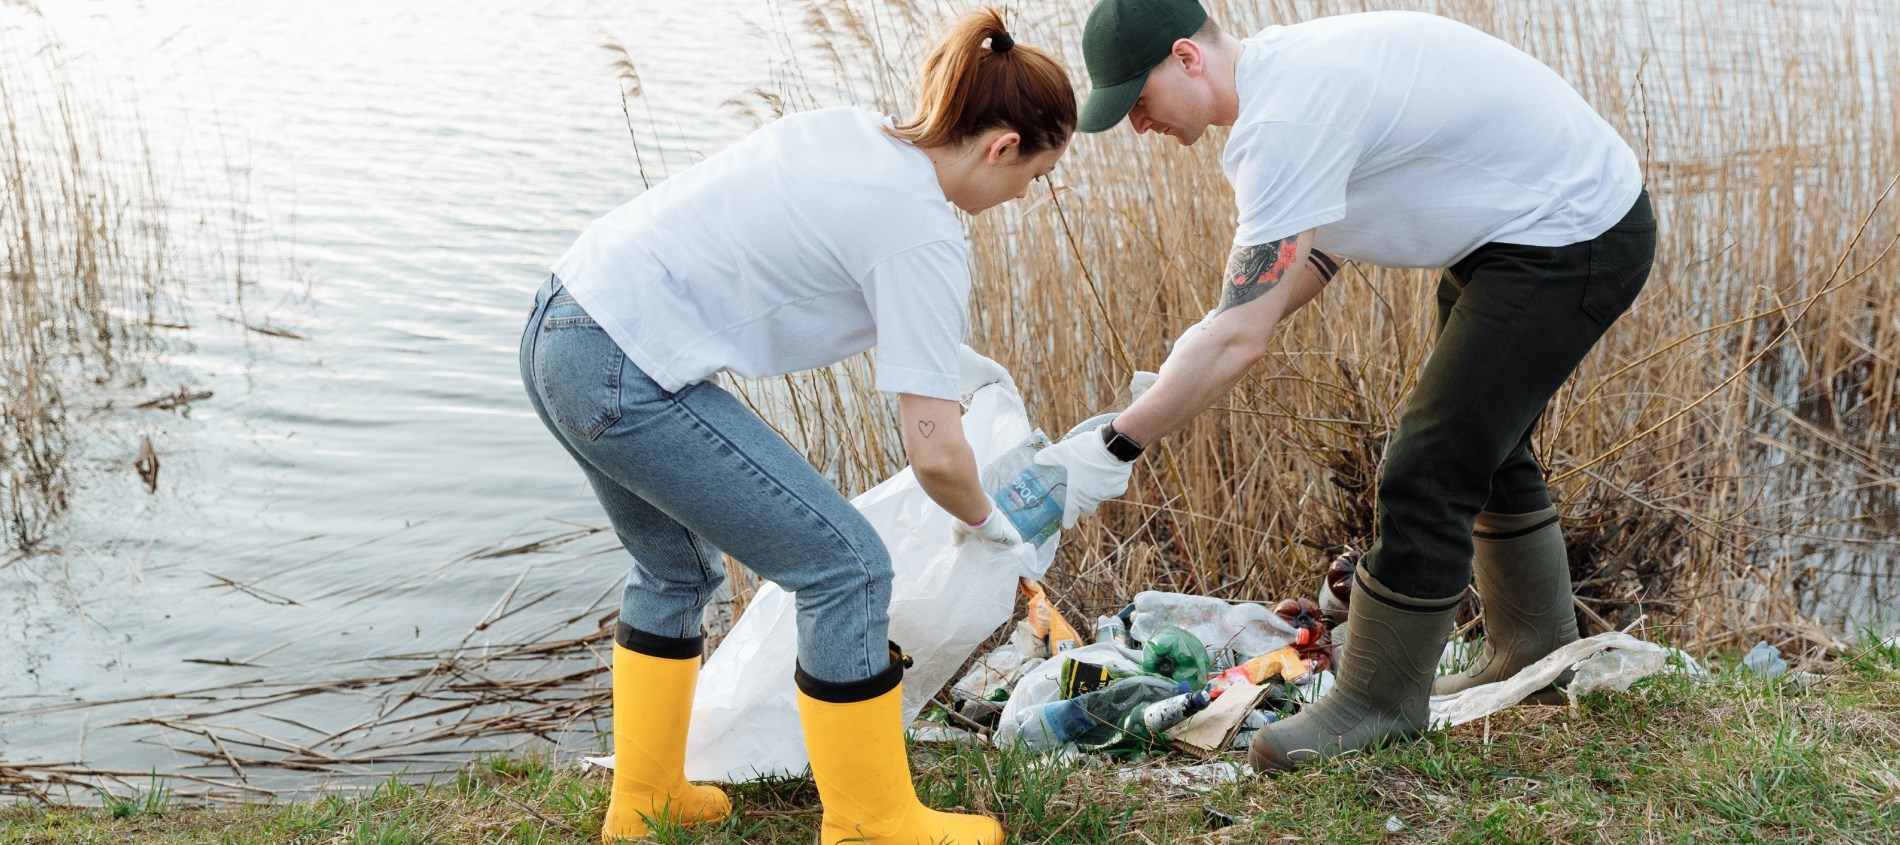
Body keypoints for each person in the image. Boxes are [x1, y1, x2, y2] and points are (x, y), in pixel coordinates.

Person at [1034, 0, 1656, 772]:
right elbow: (1286, 277)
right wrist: (1192, 357)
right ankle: (1534, 650)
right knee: (1478, 439)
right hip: (1518, 230)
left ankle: (1379, 703)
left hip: (1572, 232)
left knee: (1430, 464)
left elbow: (1243, 335)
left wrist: (1118, 442)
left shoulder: (1281, 122)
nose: (1138, 125)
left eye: (1138, 101)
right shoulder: (1287, 82)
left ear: (1186, 59)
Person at [519, 10, 1072, 843]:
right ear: (1001, 147)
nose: (1024, 196)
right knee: (846, 567)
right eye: (1036, 175)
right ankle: (870, 820)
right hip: (621, 363)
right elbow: (934, 451)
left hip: (562, 324)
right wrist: (994, 530)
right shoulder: (923, 231)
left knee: (672, 570)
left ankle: (642, 800)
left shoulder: (856, 136)